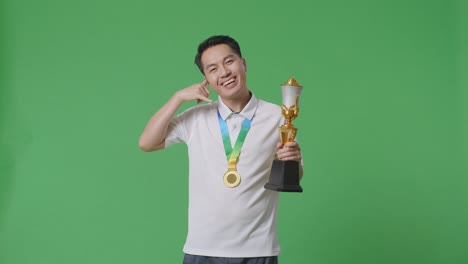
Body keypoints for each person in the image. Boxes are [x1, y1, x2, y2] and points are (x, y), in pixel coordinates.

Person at [139, 35, 303, 264]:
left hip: (258, 249)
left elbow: (294, 175)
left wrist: (292, 160)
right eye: (213, 68)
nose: (224, 72)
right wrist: (177, 98)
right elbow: (147, 142)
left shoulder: (277, 116)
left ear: (243, 64)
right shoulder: (195, 118)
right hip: (202, 248)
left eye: (229, 62)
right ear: (206, 78)